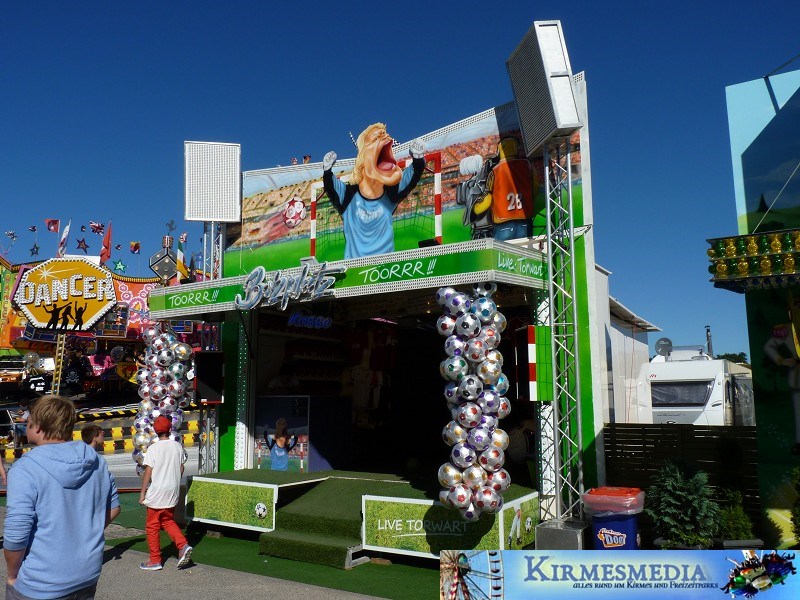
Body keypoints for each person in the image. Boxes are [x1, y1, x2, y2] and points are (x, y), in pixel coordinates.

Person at [4, 395, 120, 599]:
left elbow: (17, 533)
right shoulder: (96, 461)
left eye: (28, 421)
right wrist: (85, 535)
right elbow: (114, 508)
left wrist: (12, 575)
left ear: (38, 426)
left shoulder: (25, 468)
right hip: (87, 572)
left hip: (41, 580)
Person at [323, 123, 425, 258]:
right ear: (362, 158)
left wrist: (418, 159)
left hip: (385, 266)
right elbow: (331, 187)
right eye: (376, 138)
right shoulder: (348, 196)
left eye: (385, 135)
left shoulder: (391, 194)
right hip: (354, 267)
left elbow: (411, 177)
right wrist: (327, 171)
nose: (386, 138)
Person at [139, 415, 193, 571]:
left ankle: (155, 560)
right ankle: (183, 545)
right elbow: (181, 467)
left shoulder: (153, 448)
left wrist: (142, 492)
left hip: (157, 492)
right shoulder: (177, 446)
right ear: (170, 429)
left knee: (152, 526)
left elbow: (148, 471)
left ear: (156, 432)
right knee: (168, 521)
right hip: (172, 491)